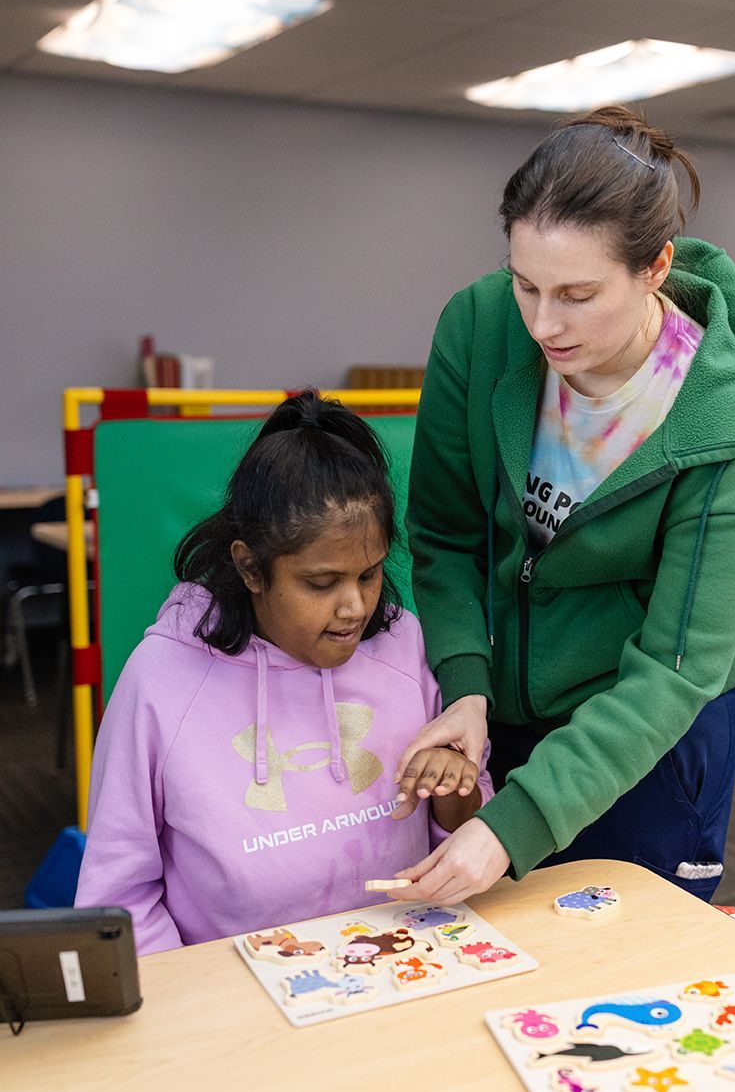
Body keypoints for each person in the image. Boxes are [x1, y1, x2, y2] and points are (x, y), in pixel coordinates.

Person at [394, 104, 735, 906]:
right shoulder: (479, 327)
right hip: (508, 700)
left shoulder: (720, 420)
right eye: (525, 285)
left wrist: (516, 823)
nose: (542, 323)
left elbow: (677, 669)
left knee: (635, 963)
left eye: (576, 294)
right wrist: (465, 682)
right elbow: (442, 533)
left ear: (655, 267)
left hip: (653, 725)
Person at [75, 392, 490, 954]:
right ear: (250, 567)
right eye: (321, 584)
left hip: (406, 967)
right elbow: (120, 897)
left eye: (369, 575)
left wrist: (453, 787)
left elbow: (465, 836)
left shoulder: (404, 645)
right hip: (234, 1005)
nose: (355, 607)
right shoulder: (161, 680)